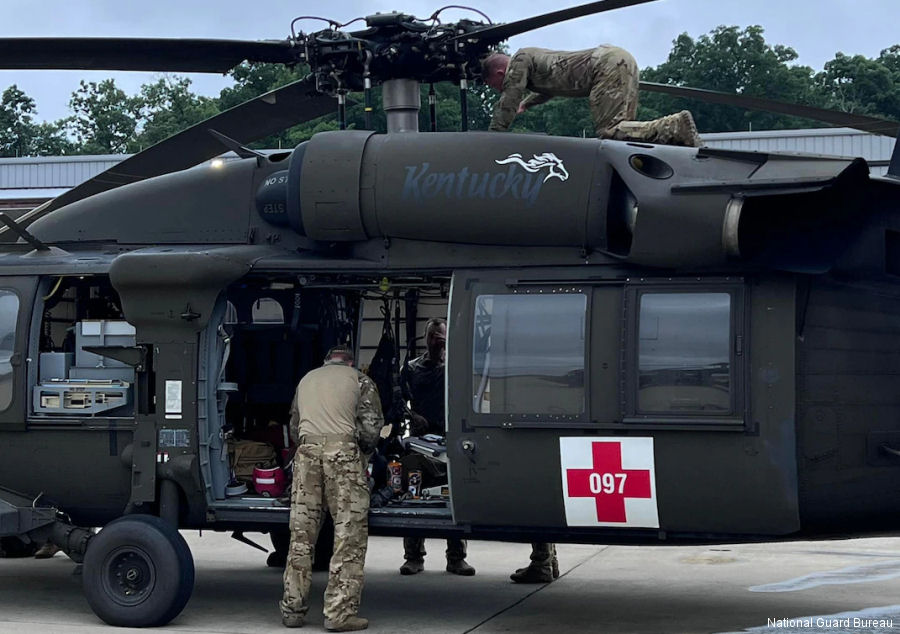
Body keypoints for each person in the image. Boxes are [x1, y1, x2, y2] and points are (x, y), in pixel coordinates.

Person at [280, 345, 384, 632]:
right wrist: (362, 454)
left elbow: (294, 427)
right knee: (348, 535)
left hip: (306, 456)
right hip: (342, 455)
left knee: (301, 535)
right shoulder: (360, 380)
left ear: (326, 362)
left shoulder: (306, 380)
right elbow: (371, 428)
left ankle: (292, 609)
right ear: (350, 363)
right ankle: (339, 614)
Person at [481, 47, 702, 147]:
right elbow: (549, 88)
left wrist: (491, 138)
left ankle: (675, 126)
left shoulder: (519, 60)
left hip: (604, 66)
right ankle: (677, 139)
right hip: (620, 61)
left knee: (610, 131)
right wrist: (527, 104)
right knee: (625, 136)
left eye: (494, 85)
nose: (499, 90)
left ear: (500, 73)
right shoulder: (531, 64)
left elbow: (508, 100)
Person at [398, 317, 475, 577]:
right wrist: (412, 416)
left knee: (453, 499)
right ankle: (413, 557)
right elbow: (398, 401)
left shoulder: (456, 367)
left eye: (441, 337)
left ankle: (456, 558)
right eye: (432, 336)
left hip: (449, 441)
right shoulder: (411, 368)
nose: (436, 341)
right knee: (414, 496)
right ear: (425, 338)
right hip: (420, 442)